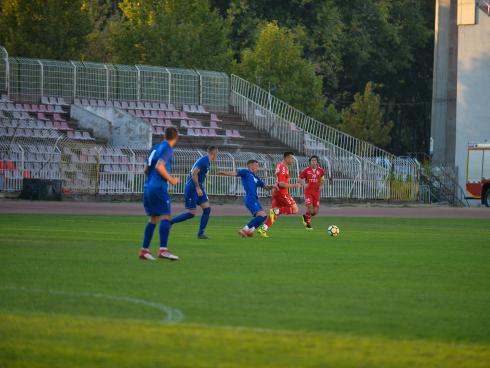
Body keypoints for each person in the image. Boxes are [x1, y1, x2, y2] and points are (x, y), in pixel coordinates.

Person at [139, 127, 180, 261]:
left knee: (153, 219)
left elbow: (145, 169)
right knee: (166, 217)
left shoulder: (155, 148)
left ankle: (144, 251)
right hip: (158, 187)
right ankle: (163, 250)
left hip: (148, 187)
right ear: (176, 137)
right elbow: (159, 166)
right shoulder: (167, 148)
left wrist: (152, 180)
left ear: (164, 135)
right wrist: (171, 179)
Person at [170, 146, 218, 239]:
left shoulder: (207, 161)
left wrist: (200, 187)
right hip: (192, 188)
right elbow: (194, 173)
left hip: (199, 187)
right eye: (217, 153)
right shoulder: (203, 161)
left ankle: (201, 233)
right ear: (214, 152)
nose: (217, 155)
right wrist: (197, 188)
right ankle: (170, 222)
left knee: (207, 209)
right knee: (191, 213)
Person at [218, 159, 272, 237]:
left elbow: (266, 187)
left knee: (264, 216)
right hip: (250, 198)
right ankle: (244, 229)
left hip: (254, 198)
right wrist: (224, 173)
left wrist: (272, 186)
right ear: (250, 165)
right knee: (261, 215)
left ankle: (250, 231)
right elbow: (235, 173)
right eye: (256, 165)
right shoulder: (245, 172)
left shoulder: (256, 177)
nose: (258, 167)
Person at [258, 152, 306, 238]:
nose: (293, 161)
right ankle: (276, 211)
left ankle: (263, 229)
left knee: (275, 215)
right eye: (292, 158)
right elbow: (281, 184)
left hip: (276, 192)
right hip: (281, 193)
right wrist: (294, 185)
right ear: (287, 158)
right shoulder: (283, 168)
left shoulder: (280, 165)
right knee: (294, 209)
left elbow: (278, 177)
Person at [299, 155, 331, 230]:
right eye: (312, 161)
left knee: (315, 212)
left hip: (316, 193)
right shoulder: (306, 170)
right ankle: (308, 224)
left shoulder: (321, 170)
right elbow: (300, 178)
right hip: (308, 192)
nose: (314, 162)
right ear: (310, 162)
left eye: (315, 161)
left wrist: (321, 185)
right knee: (310, 209)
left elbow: (322, 178)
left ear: (317, 162)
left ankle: (305, 216)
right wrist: (304, 184)